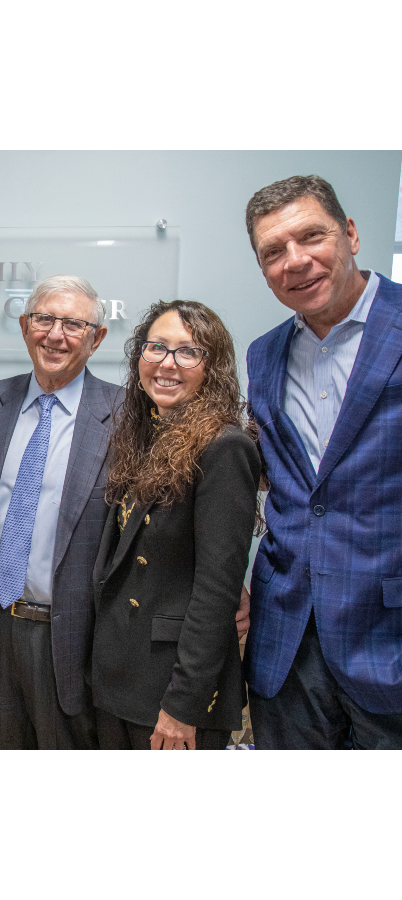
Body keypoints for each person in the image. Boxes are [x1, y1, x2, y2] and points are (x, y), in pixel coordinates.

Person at [244, 174, 402, 749]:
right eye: (273, 252)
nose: (296, 261)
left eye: (312, 236)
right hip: (285, 641)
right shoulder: (263, 355)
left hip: (388, 639)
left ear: (352, 233)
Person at [0, 275, 119, 749]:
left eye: (73, 324)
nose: (55, 335)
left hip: (75, 633)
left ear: (96, 338)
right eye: (44, 319)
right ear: (24, 326)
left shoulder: (126, 414)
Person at [91, 301, 261, 749]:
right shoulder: (142, 436)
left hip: (173, 693)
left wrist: (183, 706)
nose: (168, 364)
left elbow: (216, 589)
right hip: (119, 676)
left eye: (188, 352)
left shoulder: (225, 447)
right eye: (157, 348)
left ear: (213, 367)